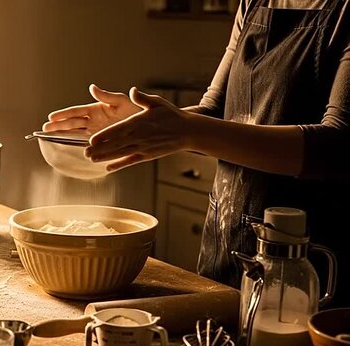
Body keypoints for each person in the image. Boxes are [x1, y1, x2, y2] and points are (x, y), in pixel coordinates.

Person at [44, 0, 350, 308]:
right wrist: (137, 121)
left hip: (307, 268)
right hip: (228, 247)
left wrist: (186, 130)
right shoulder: (253, 3)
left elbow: (337, 146)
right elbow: (214, 112)